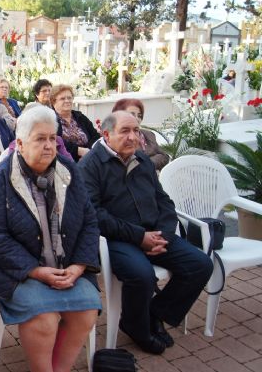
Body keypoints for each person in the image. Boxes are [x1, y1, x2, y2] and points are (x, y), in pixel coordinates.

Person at [0, 106, 100, 372]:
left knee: (86, 311)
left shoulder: (68, 171)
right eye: (40, 139)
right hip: (18, 270)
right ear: (20, 144)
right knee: (45, 318)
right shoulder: (1, 178)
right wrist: (36, 271)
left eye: (53, 138)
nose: (49, 145)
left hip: (67, 265)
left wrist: (79, 266)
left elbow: (89, 220)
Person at [78, 111, 213, 354]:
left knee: (200, 264)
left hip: (155, 233)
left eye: (136, 131)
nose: (133, 137)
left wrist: (165, 235)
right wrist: (140, 237)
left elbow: (164, 201)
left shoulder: (141, 159)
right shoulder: (90, 166)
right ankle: (137, 327)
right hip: (117, 239)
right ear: (106, 134)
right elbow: (95, 215)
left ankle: (153, 314)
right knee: (142, 275)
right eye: (125, 131)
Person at [112, 98, 170, 171]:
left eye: (139, 115)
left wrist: (146, 164)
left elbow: (164, 157)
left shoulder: (149, 135)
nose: (137, 118)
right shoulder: (116, 139)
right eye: (132, 114)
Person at [50, 84, 100, 161]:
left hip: (89, 157)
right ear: (54, 102)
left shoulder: (79, 116)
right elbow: (55, 141)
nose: (67, 101)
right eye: (62, 99)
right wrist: (78, 151)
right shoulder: (50, 120)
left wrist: (89, 152)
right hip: (66, 161)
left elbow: (95, 136)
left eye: (69, 98)